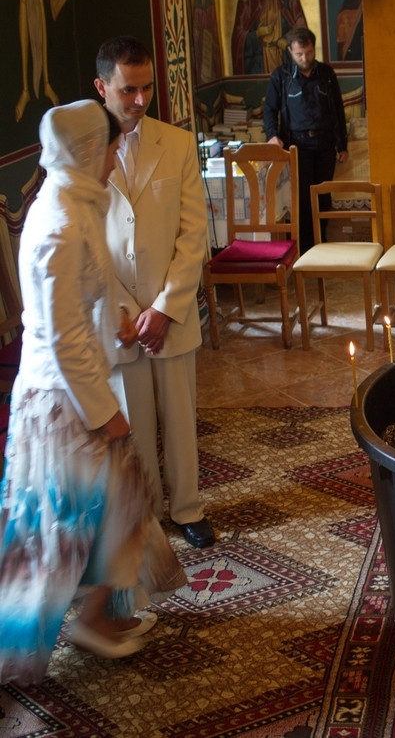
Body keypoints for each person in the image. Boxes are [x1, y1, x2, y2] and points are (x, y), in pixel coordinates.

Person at [0, 100, 187, 684]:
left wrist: (121, 320)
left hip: (77, 391)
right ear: (87, 151)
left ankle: (97, 615)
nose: (115, 158)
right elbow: (59, 338)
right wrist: (107, 414)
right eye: (110, 147)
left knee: (118, 506)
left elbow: (90, 296)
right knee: (61, 530)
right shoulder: (59, 222)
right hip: (61, 403)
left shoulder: (76, 204)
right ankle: (31, 642)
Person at [94, 36, 215, 549]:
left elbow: (194, 234)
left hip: (173, 308)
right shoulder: (82, 151)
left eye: (146, 89)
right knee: (133, 420)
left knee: (180, 415)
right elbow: (87, 247)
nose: (140, 100)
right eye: (127, 90)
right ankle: (142, 514)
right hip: (116, 313)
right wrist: (127, 310)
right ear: (102, 87)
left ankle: (187, 505)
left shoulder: (177, 142)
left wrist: (165, 306)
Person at [263, 26, 350, 253]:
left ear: (313, 49)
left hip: (324, 143)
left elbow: (338, 111)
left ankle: (320, 241)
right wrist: (272, 136)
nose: (305, 58)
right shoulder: (280, 77)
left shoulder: (326, 74)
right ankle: (305, 245)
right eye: (299, 54)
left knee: (322, 195)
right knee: (302, 198)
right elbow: (269, 109)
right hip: (296, 145)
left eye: (309, 52)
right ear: (291, 52)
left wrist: (342, 145)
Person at [231, 0, 308, 75]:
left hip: (284, 65)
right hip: (257, 68)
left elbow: (301, 31)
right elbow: (238, 39)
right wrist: (257, 34)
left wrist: (288, 41)